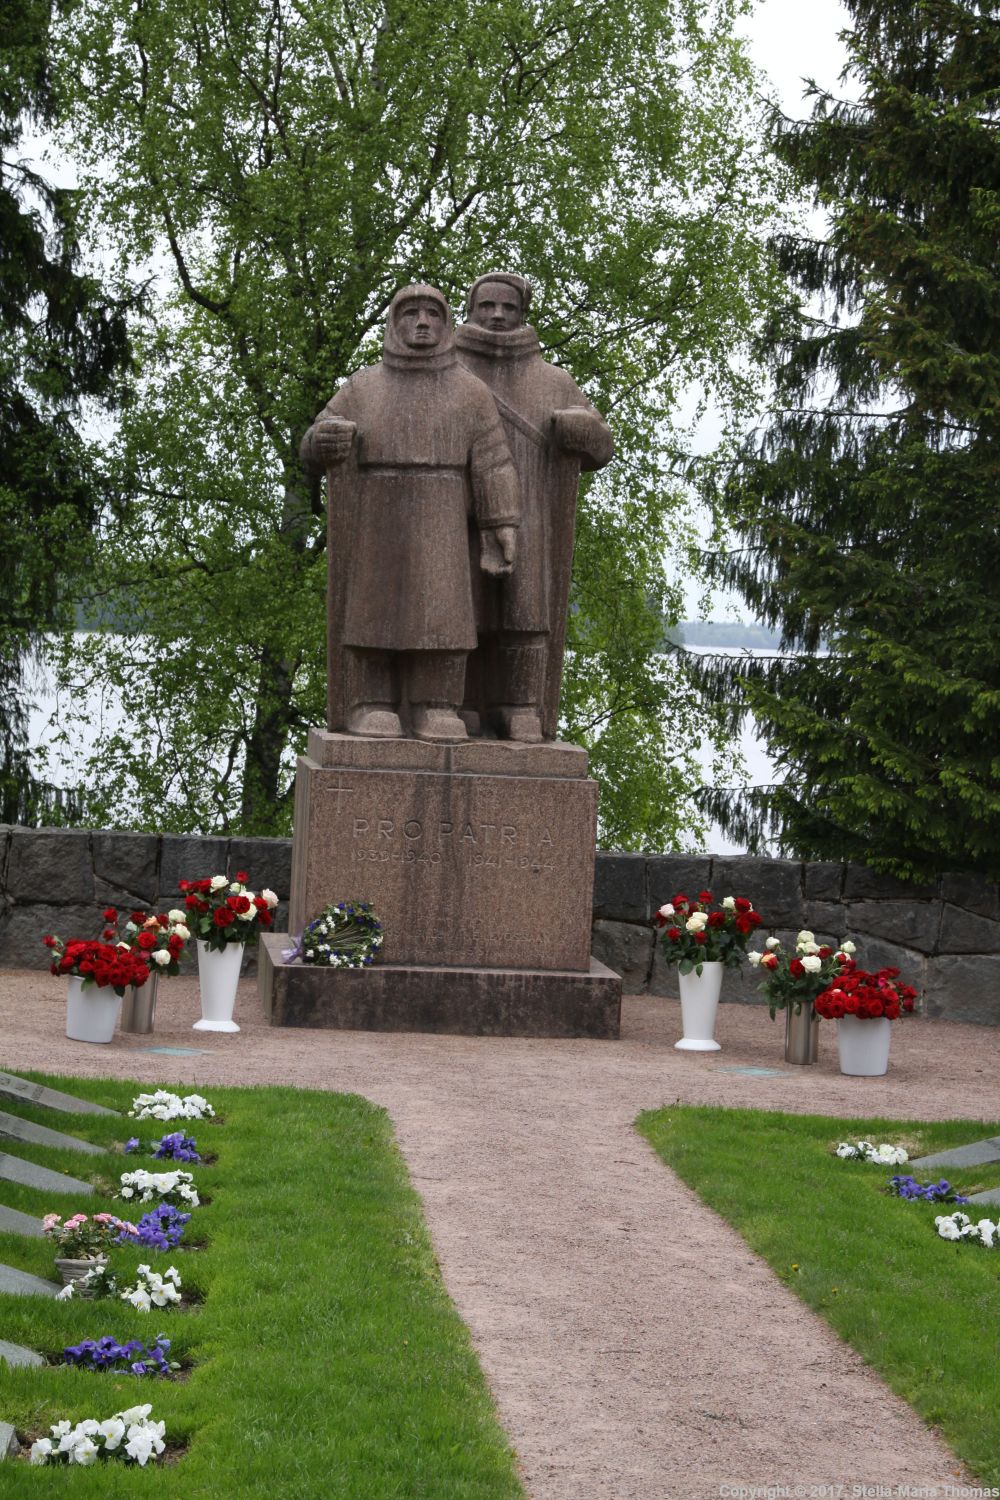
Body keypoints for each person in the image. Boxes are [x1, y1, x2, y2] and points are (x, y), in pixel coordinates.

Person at [300, 284, 519, 742]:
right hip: (378, 514)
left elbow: (493, 462)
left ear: (447, 323)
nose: (422, 323)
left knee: (443, 614)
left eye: (433, 314)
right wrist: (323, 440)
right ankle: (371, 702)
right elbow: (315, 439)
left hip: (444, 514)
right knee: (374, 611)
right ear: (393, 323)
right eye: (411, 313)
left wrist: (501, 521)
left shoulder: (469, 391)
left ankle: (436, 705)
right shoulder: (364, 386)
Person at [455, 272, 614, 742]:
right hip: (457, 514)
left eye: (508, 307)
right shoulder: (446, 371)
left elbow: (601, 446)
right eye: (487, 306)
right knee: (462, 610)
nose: (497, 315)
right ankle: (460, 703)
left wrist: (580, 429)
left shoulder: (553, 381)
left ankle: (521, 705)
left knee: (525, 614)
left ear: (523, 313)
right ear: (471, 309)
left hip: (532, 515)